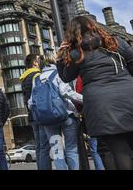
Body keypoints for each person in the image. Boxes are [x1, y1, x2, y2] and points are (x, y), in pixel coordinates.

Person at [57, 16, 133, 170]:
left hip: (101, 104)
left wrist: (60, 57)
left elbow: (66, 77)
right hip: (129, 94)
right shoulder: (115, 42)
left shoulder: (76, 53)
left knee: (120, 151)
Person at [32, 53, 83, 170]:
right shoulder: (58, 73)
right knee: (71, 149)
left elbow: (31, 102)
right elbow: (66, 92)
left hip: (48, 120)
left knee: (57, 152)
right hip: (67, 115)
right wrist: (84, 99)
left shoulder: (36, 79)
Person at [20, 54, 52, 170]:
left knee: (39, 146)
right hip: (41, 114)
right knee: (44, 147)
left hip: (32, 115)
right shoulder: (37, 75)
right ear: (35, 63)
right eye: (38, 60)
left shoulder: (24, 78)